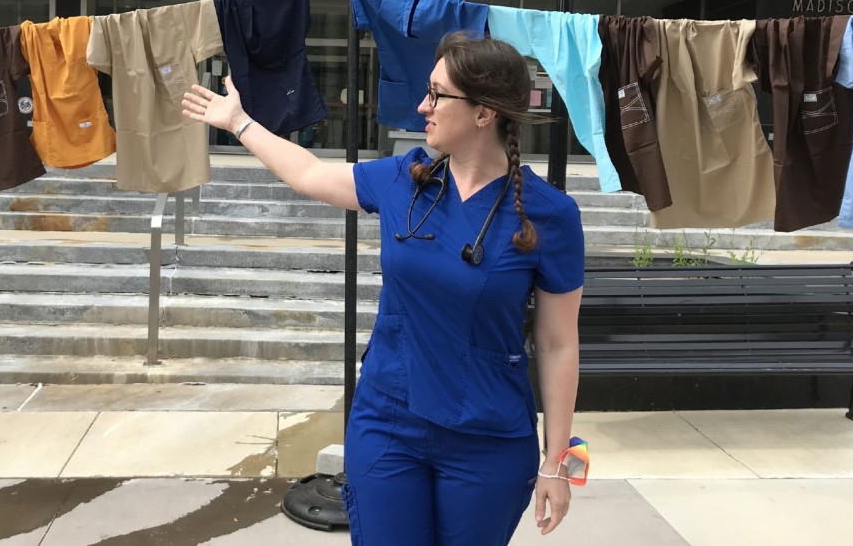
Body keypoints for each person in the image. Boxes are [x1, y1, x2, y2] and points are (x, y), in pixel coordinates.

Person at [183, 31, 584, 545]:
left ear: (485, 112)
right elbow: (309, 172)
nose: (423, 105)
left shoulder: (550, 215)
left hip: (487, 438)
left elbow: (557, 343)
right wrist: (238, 122)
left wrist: (556, 462)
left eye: (438, 94)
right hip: (389, 421)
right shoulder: (405, 179)